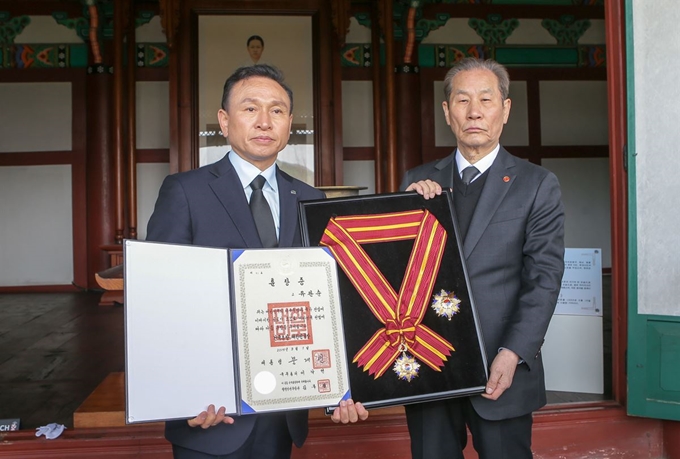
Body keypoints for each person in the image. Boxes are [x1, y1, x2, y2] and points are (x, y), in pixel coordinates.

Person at [147, 64, 368, 459]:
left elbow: (331, 305)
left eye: (277, 110)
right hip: (210, 413)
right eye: (250, 109)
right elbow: (160, 301)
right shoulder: (185, 191)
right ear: (224, 121)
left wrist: (342, 388)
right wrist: (183, 395)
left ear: (288, 125)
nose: (265, 121)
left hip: (283, 409)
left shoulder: (311, 201)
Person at [401, 57, 565, 459]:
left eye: (486, 100)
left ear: (505, 110)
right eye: (462, 100)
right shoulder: (418, 183)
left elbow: (543, 278)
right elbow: (398, 275)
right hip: (430, 365)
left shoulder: (536, 184)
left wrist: (513, 353)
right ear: (447, 112)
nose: (474, 112)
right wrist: (409, 210)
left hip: (502, 365)